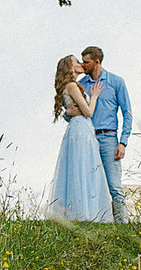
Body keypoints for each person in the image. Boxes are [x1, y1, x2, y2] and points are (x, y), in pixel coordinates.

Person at [45, 54, 111, 222]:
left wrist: (68, 112)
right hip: (81, 128)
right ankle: (84, 214)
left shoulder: (70, 86)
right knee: (84, 168)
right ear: (70, 67)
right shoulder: (73, 86)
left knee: (78, 168)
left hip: (78, 128)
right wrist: (94, 96)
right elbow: (88, 112)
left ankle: (82, 213)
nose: (81, 63)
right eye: (76, 61)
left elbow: (72, 110)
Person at [76, 45, 132, 222]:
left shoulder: (116, 82)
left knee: (114, 186)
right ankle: (94, 222)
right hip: (88, 138)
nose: (83, 65)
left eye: (86, 62)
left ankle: (122, 224)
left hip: (109, 139)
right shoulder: (81, 85)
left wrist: (123, 142)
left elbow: (127, 113)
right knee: (89, 184)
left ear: (97, 62)